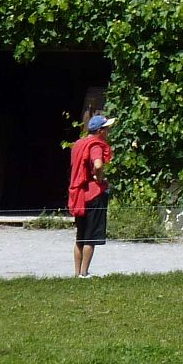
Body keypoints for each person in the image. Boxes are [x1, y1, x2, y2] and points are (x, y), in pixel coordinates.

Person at [68, 113, 115, 277]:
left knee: (80, 235)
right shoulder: (95, 145)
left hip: (79, 195)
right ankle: (84, 273)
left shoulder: (78, 144)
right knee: (90, 236)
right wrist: (99, 177)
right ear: (100, 131)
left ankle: (77, 273)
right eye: (107, 128)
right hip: (93, 194)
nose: (108, 131)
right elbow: (98, 163)